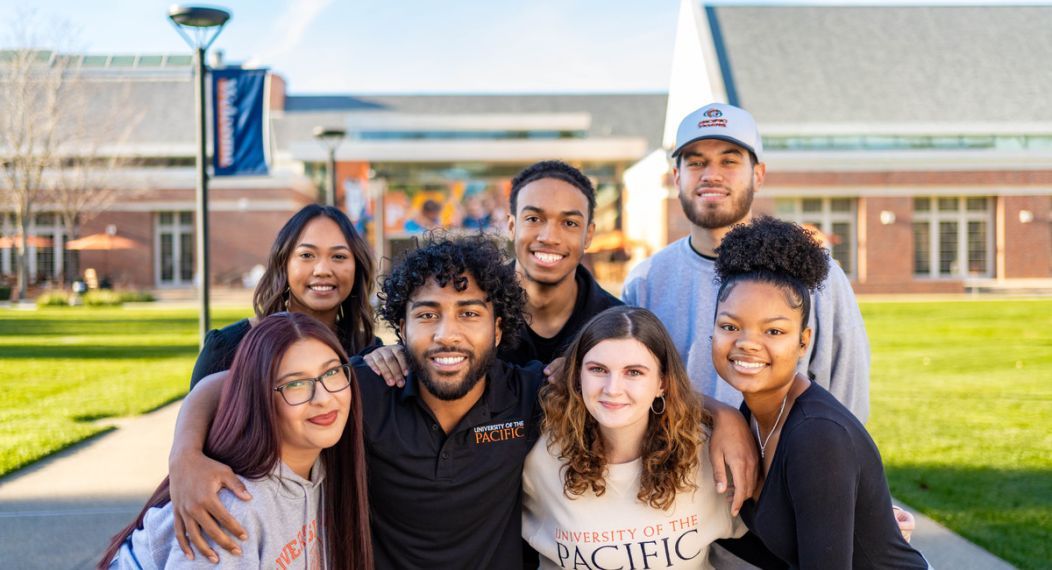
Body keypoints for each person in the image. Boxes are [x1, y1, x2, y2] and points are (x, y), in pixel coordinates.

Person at [365, 160, 758, 516]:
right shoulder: (473, 308)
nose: (550, 236)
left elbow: (659, 389)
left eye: (569, 223)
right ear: (513, 225)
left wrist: (723, 415)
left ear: (588, 234)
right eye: (535, 219)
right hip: (487, 511)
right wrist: (405, 352)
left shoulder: (617, 325)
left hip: (574, 516)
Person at [169, 236, 545, 569]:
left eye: (469, 313)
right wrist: (185, 454)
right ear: (402, 328)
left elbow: (599, 382)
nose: (447, 335)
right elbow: (236, 384)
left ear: (497, 330)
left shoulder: (529, 394)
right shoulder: (363, 388)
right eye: (427, 315)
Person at [622, 103, 870, 421]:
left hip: (785, 466)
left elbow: (847, 399)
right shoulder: (646, 280)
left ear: (758, 175)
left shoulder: (816, 272)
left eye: (729, 161)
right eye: (696, 163)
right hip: (676, 467)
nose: (711, 175)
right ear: (676, 177)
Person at [712, 217, 928, 568]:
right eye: (730, 326)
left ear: (803, 342)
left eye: (774, 331)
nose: (747, 344)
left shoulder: (816, 436)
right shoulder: (755, 413)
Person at [100, 312, 372, 569]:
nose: (324, 398)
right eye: (295, 384)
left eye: (332, 373)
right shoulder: (234, 504)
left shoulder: (323, 469)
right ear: (260, 397)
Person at [524, 306, 784, 569]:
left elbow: (780, 541)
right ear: (578, 376)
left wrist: (727, 415)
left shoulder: (707, 453)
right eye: (598, 369)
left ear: (662, 383)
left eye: (634, 372)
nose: (613, 389)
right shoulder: (538, 457)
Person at [190, 204, 379, 388]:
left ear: (357, 267)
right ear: (284, 264)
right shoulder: (228, 347)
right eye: (306, 255)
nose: (322, 270)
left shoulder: (369, 352)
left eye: (338, 256)